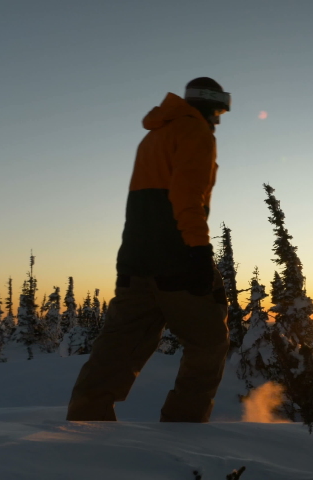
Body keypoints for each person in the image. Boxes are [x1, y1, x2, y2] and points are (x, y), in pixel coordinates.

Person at [66, 77, 231, 422]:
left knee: (122, 344)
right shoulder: (195, 133)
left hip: (135, 260)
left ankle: (86, 423)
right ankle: (185, 427)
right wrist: (199, 252)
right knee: (209, 341)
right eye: (219, 110)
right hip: (177, 259)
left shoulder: (154, 135)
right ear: (211, 107)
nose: (219, 119)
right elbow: (187, 199)